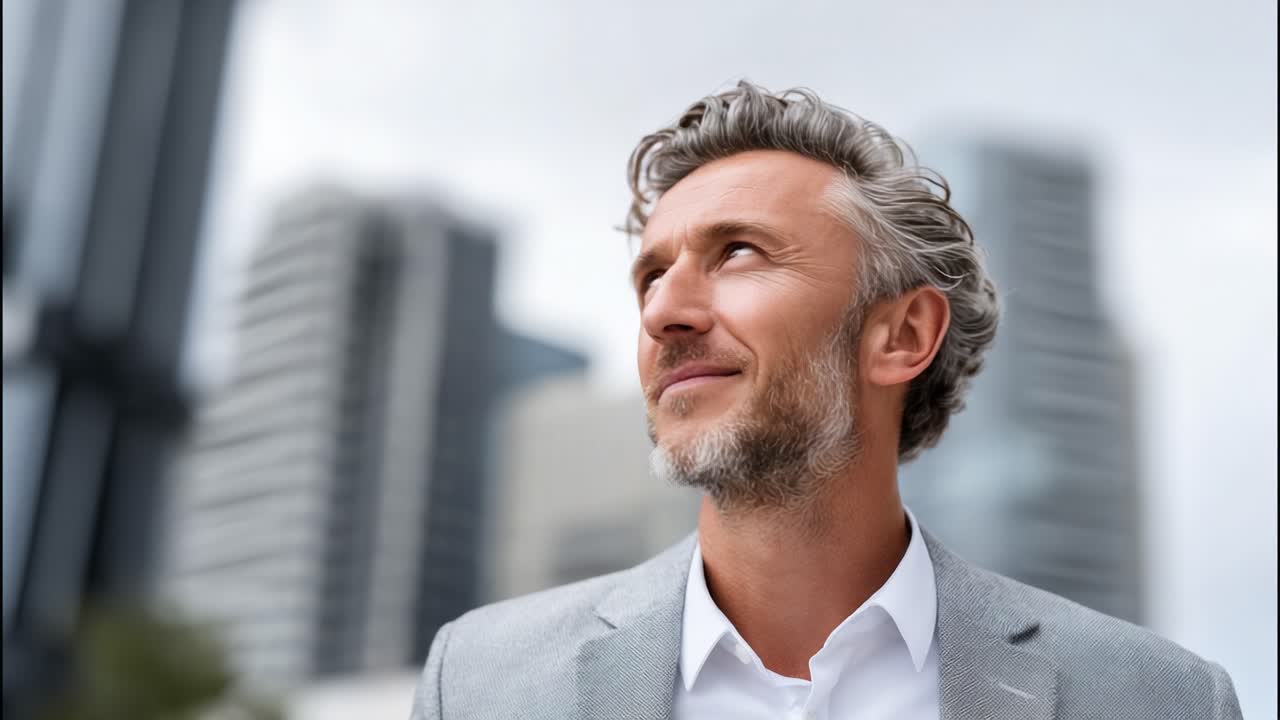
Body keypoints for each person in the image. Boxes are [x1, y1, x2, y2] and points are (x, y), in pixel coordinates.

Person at [410, 80, 1242, 719]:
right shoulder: (482, 683)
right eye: (651, 275)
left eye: (737, 252)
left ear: (902, 335)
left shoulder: (1155, 698)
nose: (664, 310)